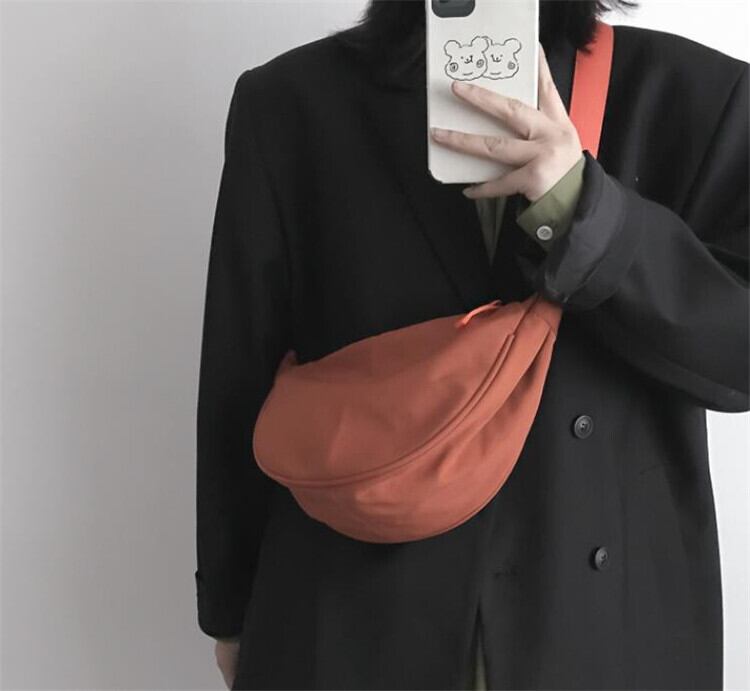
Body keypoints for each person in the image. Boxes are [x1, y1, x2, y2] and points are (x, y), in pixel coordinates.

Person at [195, 1, 749, 689]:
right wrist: (231, 608)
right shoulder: (290, 105)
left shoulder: (690, 98)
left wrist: (585, 212)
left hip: (603, 635)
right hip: (351, 624)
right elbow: (238, 379)